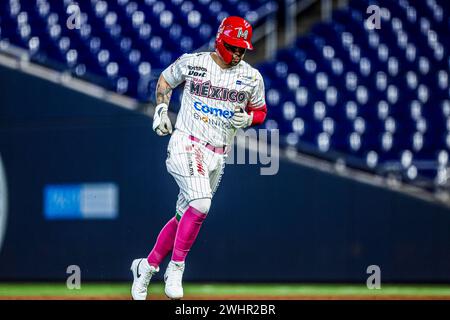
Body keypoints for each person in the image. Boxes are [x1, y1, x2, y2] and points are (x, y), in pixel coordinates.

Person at [130, 16, 267, 300]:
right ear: (221, 41)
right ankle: (176, 268)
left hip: (218, 155)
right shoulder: (194, 63)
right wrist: (161, 109)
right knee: (202, 202)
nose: (239, 53)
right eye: (234, 46)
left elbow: (261, 110)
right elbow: (166, 80)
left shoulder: (252, 77)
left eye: (242, 48)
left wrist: (249, 118)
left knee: (184, 217)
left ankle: (147, 266)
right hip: (186, 142)